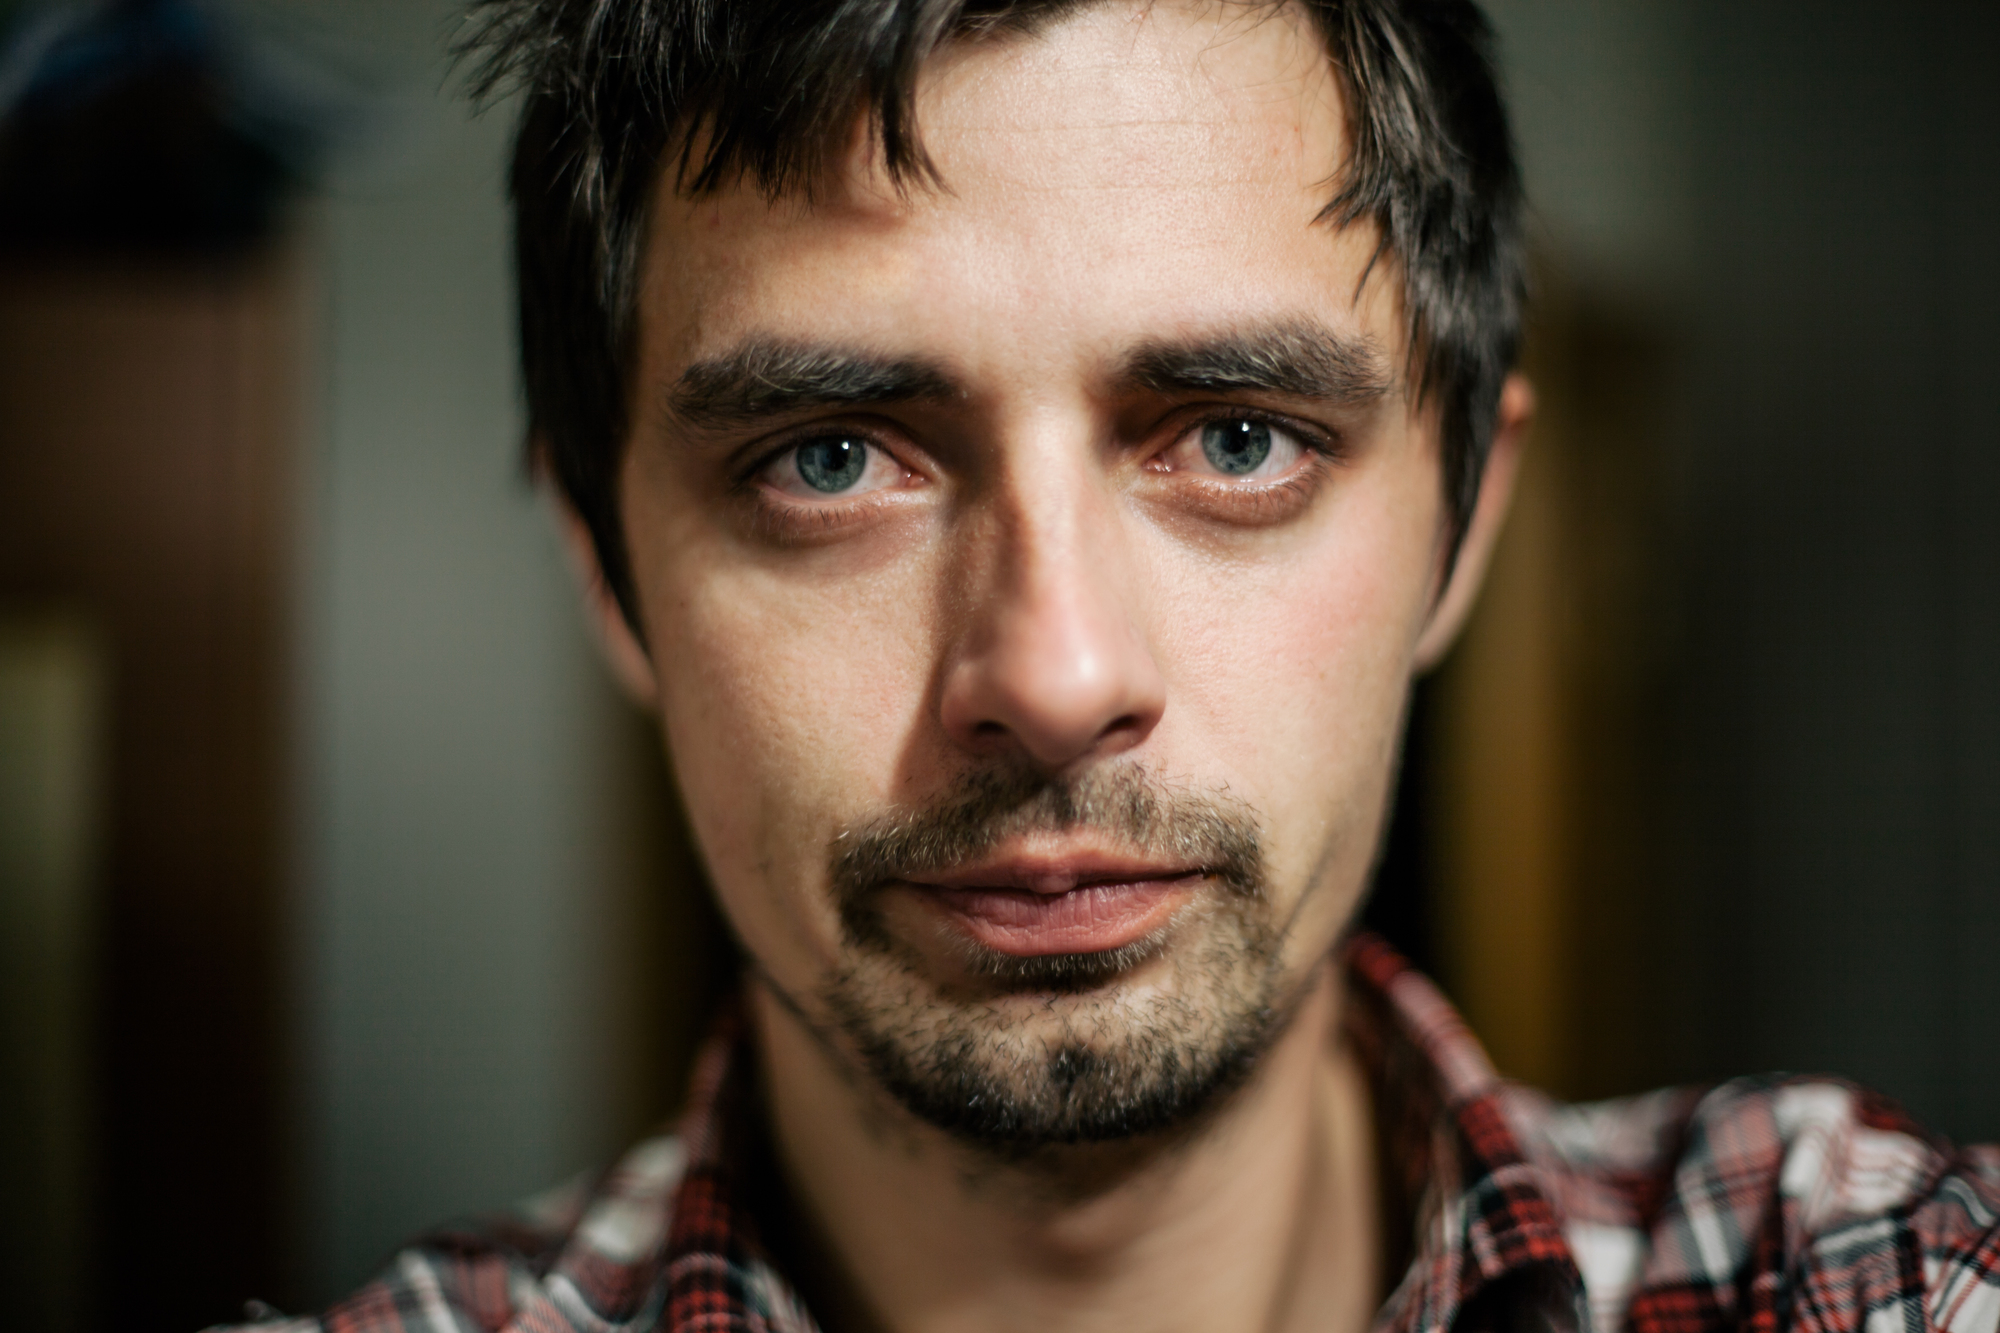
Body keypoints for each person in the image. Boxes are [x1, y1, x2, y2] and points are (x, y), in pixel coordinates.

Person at [225, 2, 2000, 1331]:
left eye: (1237, 438)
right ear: (606, 573)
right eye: (831, 455)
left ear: (1464, 525)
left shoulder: (1868, 1269)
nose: (1057, 672)